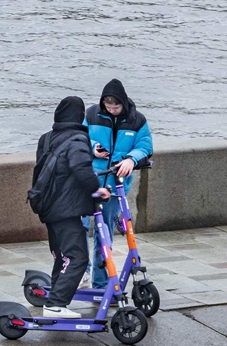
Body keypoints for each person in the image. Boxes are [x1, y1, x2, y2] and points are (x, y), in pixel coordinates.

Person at [36, 96, 110, 318]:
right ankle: (55, 304)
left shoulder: (47, 138)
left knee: (63, 256)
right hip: (65, 209)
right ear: (79, 116)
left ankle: (54, 300)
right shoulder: (78, 138)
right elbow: (80, 169)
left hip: (46, 205)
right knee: (77, 257)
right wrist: (98, 190)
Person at [83, 79, 153, 289]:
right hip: (90, 181)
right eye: (108, 106)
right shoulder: (91, 115)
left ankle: (102, 283)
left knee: (104, 236)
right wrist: (93, 148)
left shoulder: (137, 120)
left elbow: (145, 145)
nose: (112, 110)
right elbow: (79, 137)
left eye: (116, 106)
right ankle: (82, 273)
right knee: (80, 228)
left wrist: (131, 159)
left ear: (123, 103)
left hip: (114, 187)